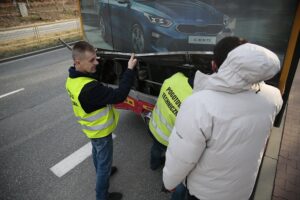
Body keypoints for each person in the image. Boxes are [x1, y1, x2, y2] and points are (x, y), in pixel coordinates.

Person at [162, 36, 283, 200]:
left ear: (214, 64)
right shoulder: (273, 96)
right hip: (243, 190)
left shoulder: (199, 104)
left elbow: (182, 156)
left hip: (205, 193)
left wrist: (169, 182)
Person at [65, 41, 137, 200]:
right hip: (101, 132)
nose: (96, 62)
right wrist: (130, 69)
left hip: (90, 129)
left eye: (96, 58)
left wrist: (94, 59)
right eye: (92, 60)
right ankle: (102, 196)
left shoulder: (72, 79)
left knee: (97, 153)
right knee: (104, 163)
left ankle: (102, 171)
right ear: (78, 62)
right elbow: (119, 96)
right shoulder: (90, 89)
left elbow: (91, 78)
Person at [148, 71, 194, 200]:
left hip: (153, 126)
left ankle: (154, 164)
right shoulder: (193, 100)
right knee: (180, 173)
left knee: (155, 149)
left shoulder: (175, 77)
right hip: (167, 140)